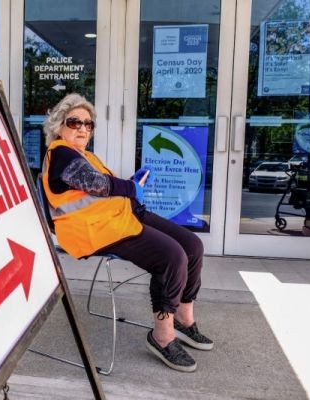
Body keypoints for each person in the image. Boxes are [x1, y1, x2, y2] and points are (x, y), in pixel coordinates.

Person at [41, 93, 213, 372]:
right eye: (75, 122)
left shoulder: (85, 155)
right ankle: (163, 335)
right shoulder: (60, 153)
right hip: (96, 230)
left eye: (89, 124)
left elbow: (100, 189)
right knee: (172, 256)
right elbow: (95, 183)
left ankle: (184, 318)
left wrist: (131, 184)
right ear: (59, 125)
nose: (83, 128)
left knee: (193, 246)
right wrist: (131, 188)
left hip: (121, 216)